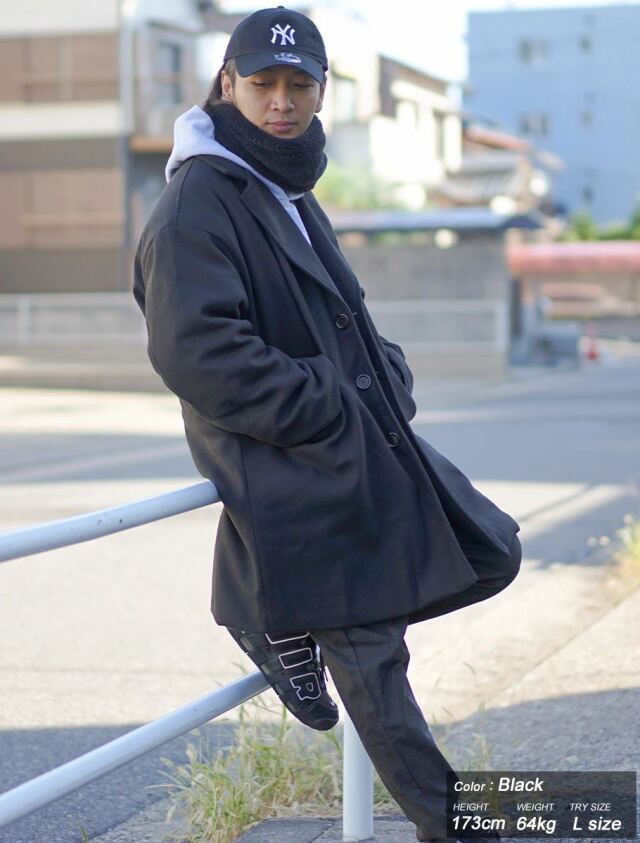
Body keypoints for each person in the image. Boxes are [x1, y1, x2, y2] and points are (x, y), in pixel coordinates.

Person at [132, 6, 522, 841]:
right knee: (373, 654)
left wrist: (386, 370)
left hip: (353, 446)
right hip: (292, 463)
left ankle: (272, 603)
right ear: (227, 84)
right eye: (263, 84)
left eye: (298, 85)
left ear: (321, 91)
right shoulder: (197, 200)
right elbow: (197, 352)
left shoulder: (282, 183)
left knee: (489, 550)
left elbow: (338, 309)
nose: (281, 101)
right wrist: (331, 401)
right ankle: (457, 823)